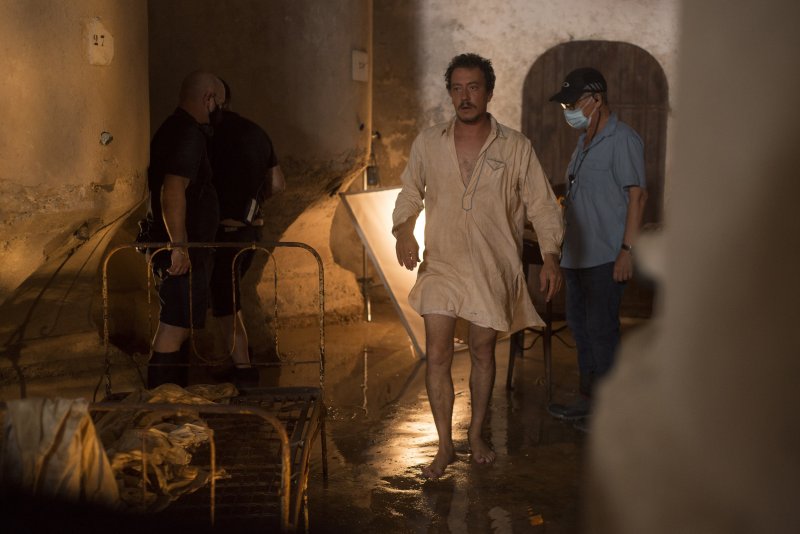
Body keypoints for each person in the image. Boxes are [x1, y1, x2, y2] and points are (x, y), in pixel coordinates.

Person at [392, 53, 564, 479]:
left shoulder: (515, 146)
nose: (464, 96)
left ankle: (476, 434)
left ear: (488, 92)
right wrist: (403, 230)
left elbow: (542, 205)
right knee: (437, 354)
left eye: (473, 88)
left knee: (483, 350)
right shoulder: (429, 142)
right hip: (442, 262)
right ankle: (444, 446)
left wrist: (550, 255)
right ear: (450, 93)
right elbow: (411, 191)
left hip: (492, 265)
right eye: (457, 88)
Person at [546, 68, 648, 425]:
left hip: (606, 255)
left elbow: (637, 196)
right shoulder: (584, 141)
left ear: (597, 99)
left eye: (573, 103)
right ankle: (588, 400)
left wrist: (627, 251)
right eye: (566, 105)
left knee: (602, 332)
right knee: (581, 329)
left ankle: (609, 411)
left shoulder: (623, 139)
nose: (569, 110)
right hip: (577, 255)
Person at [144, 70, 226, 388]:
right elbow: (173, 188)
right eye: (218, 103)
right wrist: (179, 245)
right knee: (173, 327)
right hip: (180, 251)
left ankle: (174, 400)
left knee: (179, 325)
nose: (219, 110)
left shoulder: (174, 128)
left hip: (181, 248)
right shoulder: (187, 134)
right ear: (208, 99)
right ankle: (161, 405)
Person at [208, 80, 286, 387]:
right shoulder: (257, 132)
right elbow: (278, 183)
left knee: (225, 301)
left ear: (212, 99)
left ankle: (243, 367)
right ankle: (232, 359)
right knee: (230, 295)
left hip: (222, 231)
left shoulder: (207, 133)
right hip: (252, 229)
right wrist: (253, 203)